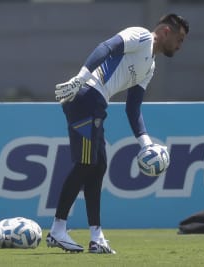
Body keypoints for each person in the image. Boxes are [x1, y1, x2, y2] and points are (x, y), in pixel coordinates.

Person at [46, 13, 189, 254]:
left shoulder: (150, 67)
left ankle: (96, 237)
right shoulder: (142, 36)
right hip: (87, 94)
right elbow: (106, 47)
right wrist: (80, 79)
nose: (180, 45)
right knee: (85, 164)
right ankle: (58, 229)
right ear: (166, 31)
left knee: (97, 165)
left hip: (96, 101)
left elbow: (133, 108)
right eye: (180, 38)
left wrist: (145, 143)